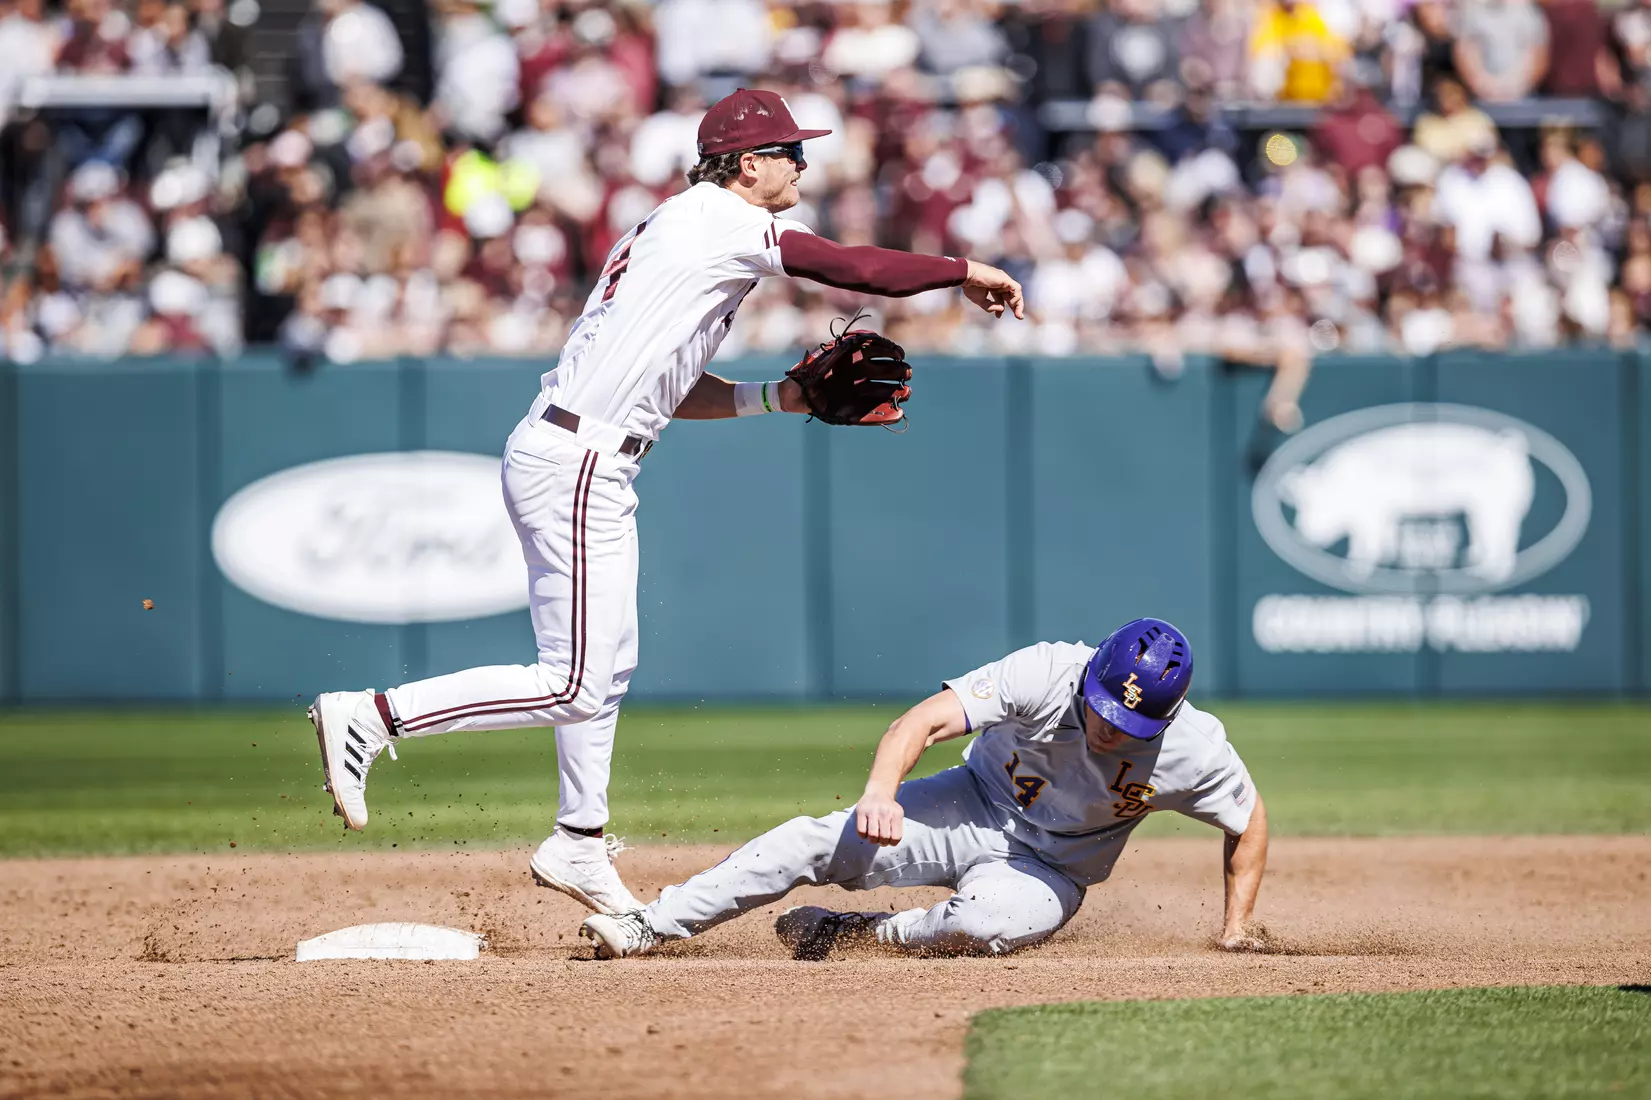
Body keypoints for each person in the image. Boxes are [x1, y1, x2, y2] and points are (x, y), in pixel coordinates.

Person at [308, 88, 1025, 916]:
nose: (802, 163)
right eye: (790, 151)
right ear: (746, 165)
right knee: (572, 680)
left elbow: (671, 389)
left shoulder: (671, 229)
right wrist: (963, 269)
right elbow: (854, 269)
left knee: (604, 669)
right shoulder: (718, 221)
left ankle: (577, 841)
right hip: (577, 459)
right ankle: (374, 715)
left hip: (588, 455)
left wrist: (778, 399)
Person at [578, 618, 1271, 960]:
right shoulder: (1047, 671)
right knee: (812, 840)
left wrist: (1235, 928)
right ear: (1089, 675)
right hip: (971, 803)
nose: (1107, 728)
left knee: (979, 925)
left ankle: (859, 933)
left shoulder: (1193, 749)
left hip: (1053, 868)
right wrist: (880, 792)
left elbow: (1249, 820)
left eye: (1128, 724)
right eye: (1101, 707)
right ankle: (650, 923)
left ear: (1167, 714)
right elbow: (923, 720)